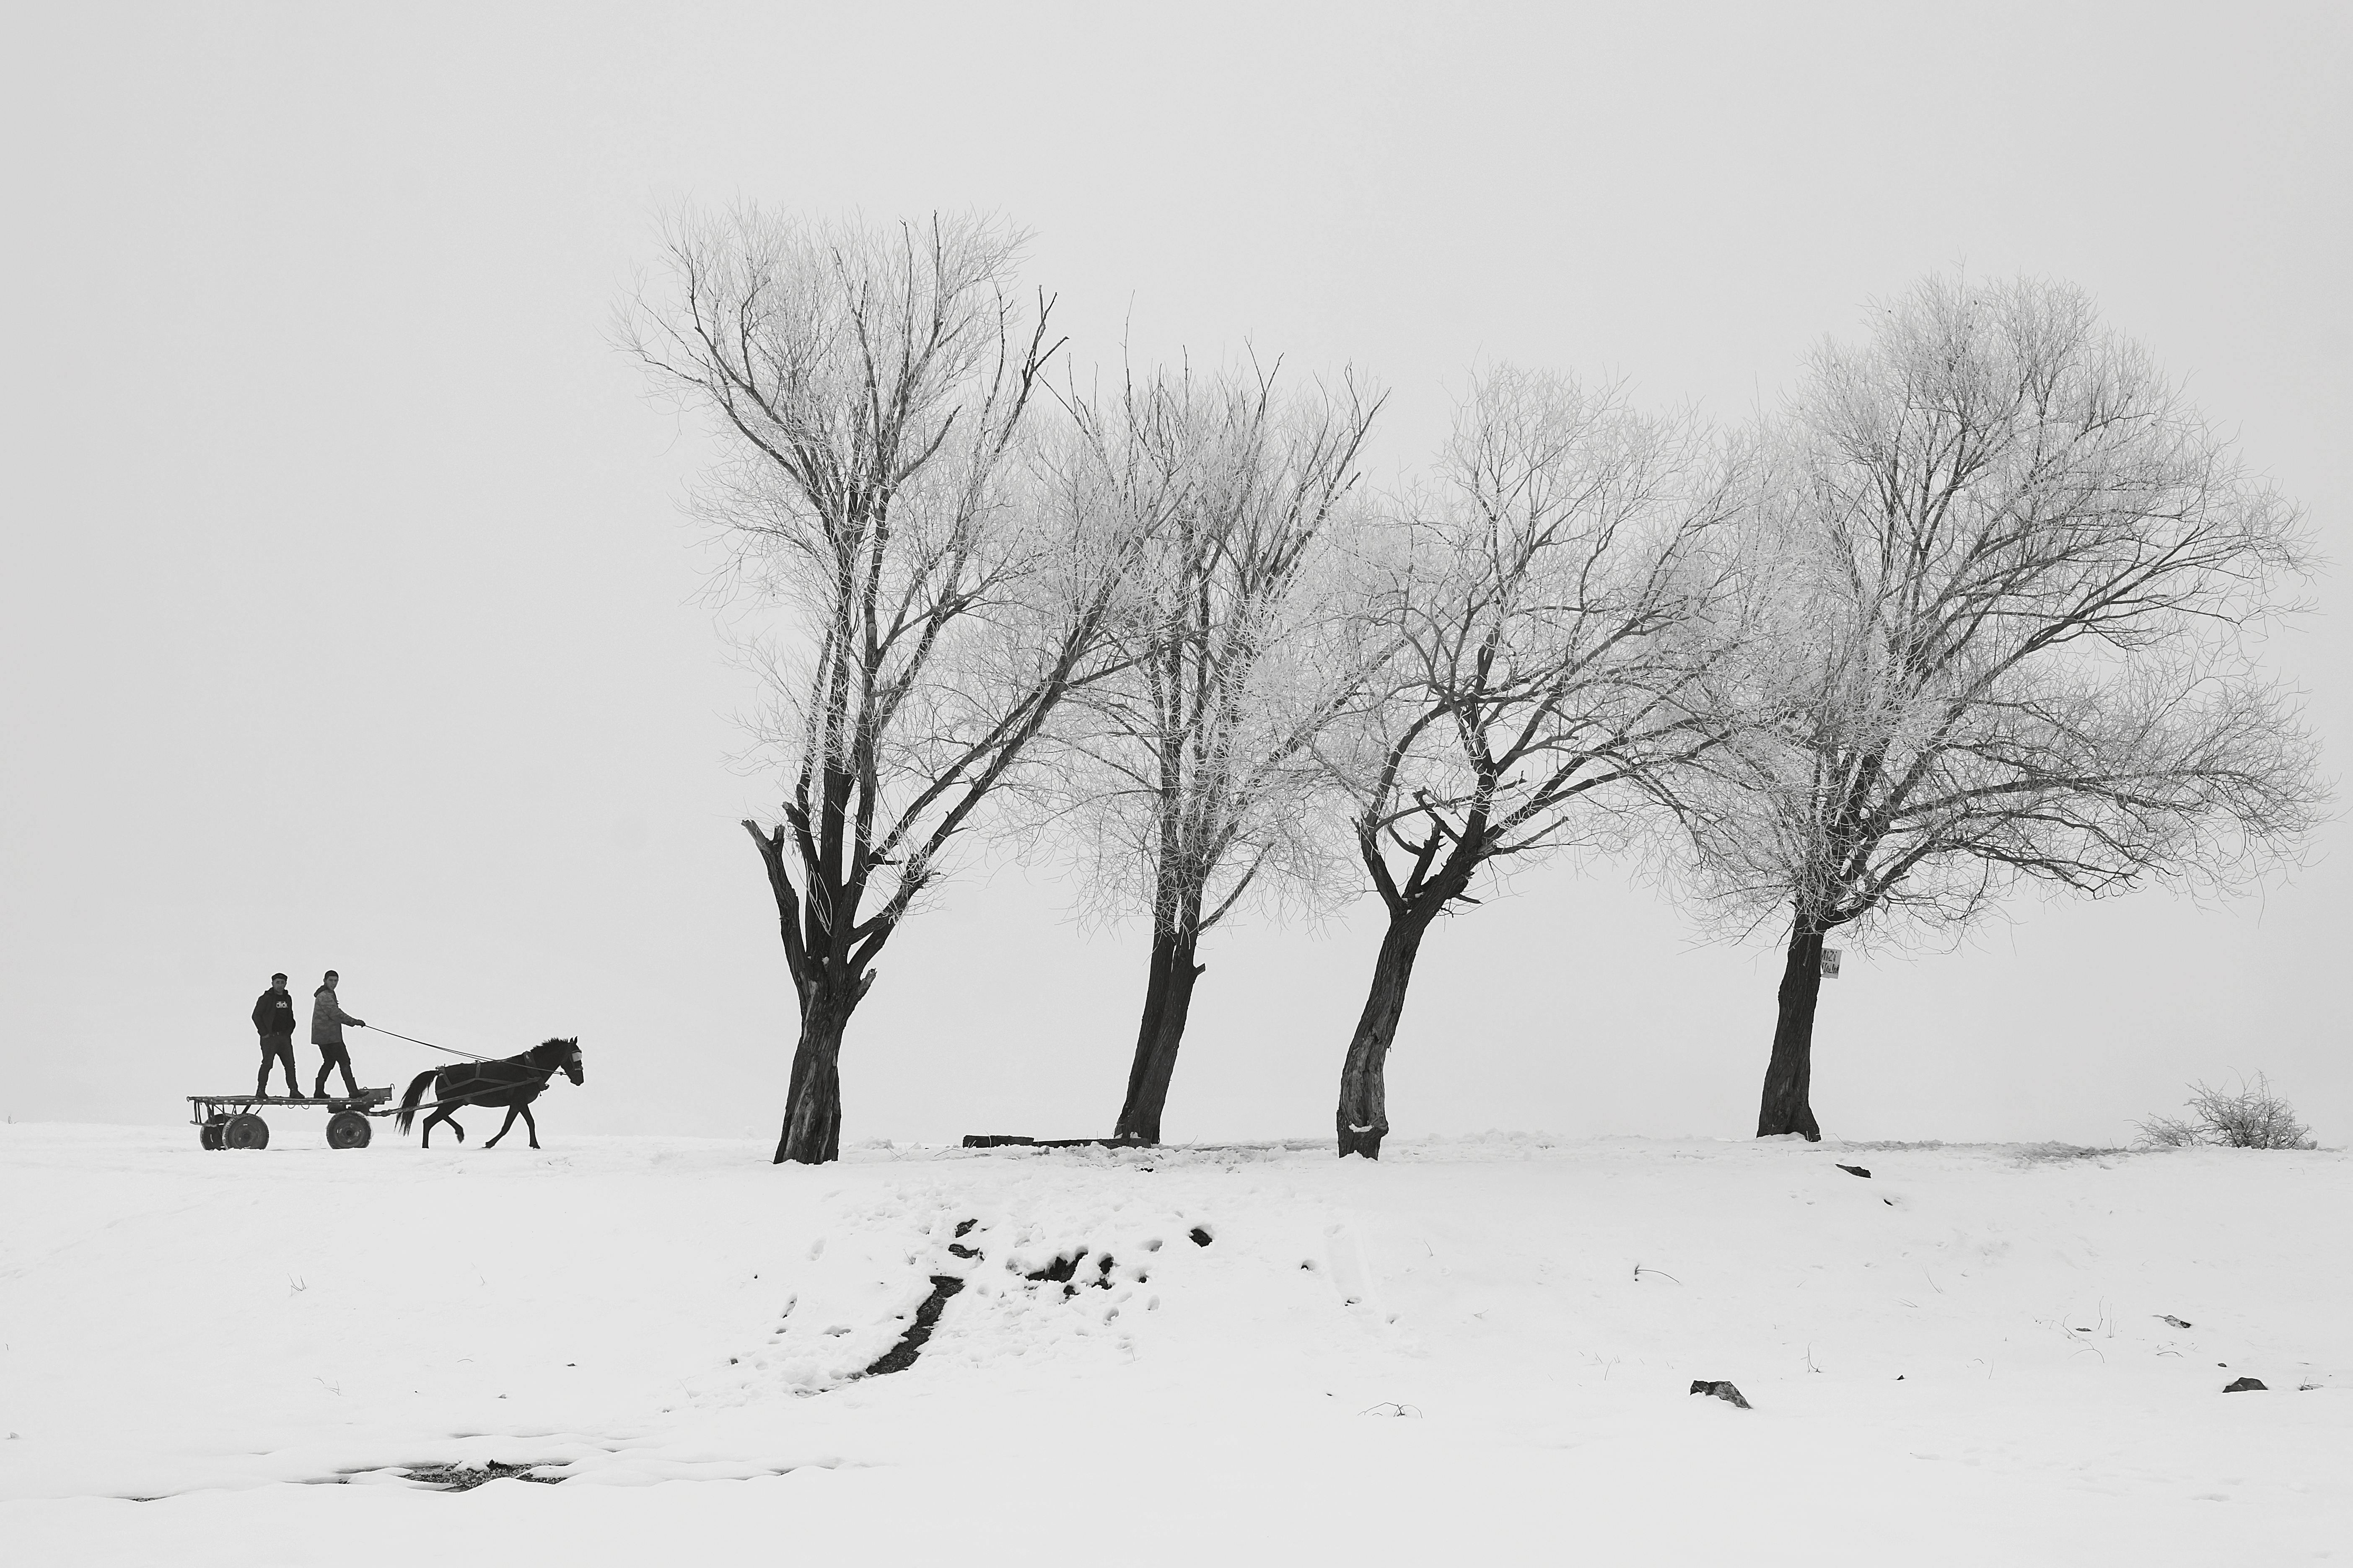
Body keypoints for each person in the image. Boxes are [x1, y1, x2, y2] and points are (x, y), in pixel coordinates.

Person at [311, 969, 368, 1099]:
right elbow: (336, 1014)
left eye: (336, 981)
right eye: (331, 980)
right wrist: (354, 1022)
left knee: (329, 1062)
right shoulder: (325, 995)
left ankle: (319, 1091)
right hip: (329, 1037)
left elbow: (335, 1013)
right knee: (344, 1061)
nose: (334, 983)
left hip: (325, 1036)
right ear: (324, 981)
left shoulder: (328, 994)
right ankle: (353, 1091)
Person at [251, 972, 299, 1097]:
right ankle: (261, 1090)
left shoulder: (288, 998)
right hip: (270, 1038)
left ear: (286, 984)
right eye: (277, 982)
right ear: (272, 983)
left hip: (284, 1038)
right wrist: (264, 1033)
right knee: (267, 1064)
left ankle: (294, 1090)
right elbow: (256, 1016)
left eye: (282, 983)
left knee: (290, 1065)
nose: (280, 985)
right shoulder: (266, 998)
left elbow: (291, 1015)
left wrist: (290, 1030)